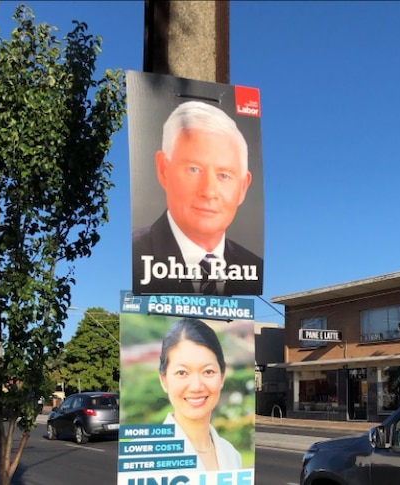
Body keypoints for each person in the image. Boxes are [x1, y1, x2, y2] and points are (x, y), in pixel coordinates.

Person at [132, 100, 262, 296]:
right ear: (163, 169)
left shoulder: (253, 265)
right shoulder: (136, 252)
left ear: (243, 187)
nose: (209, 191)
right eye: (194, 169)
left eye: (224, 175)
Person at [159, 318, 242, 471]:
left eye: (208, 371)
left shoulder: (232, 454)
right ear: (164, 380)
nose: (196, 386)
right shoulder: (145, 456)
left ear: (222, 377)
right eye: (182, 372)